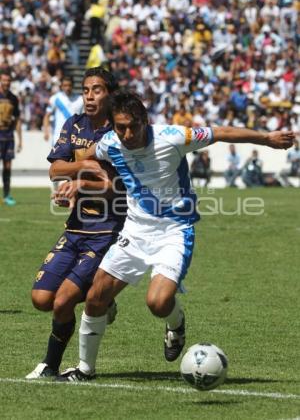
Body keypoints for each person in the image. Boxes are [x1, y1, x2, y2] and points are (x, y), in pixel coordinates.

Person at [57, 89, 295, 382]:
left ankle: (176, 324)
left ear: (145, 120)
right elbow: (87, 157)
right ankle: (84, 369)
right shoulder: (109, 142)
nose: (128, 133)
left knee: (157, 303)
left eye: (133, 125)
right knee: (96, 297)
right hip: (135, 230)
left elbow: (221, 132)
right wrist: (77, 180)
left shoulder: (173, 136)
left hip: (174, 231)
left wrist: (267, 139)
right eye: (121, 127)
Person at [26, 67, 126, 379]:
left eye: (97, 90)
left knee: (63, 302)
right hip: (74, 227)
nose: (89, 96)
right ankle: (103, 298)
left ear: (110, 94)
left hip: (106, 229)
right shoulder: (74, 124)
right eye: (85, 90)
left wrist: (77, 183)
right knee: (41, 299)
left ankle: (49, 366)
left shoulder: (120, 131)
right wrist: (82, 167)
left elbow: (115, 185)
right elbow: (56, 169)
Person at [0, 70, 22, 206]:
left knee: (7, 167)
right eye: (4, 80)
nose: (6, 82)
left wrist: (20, 139)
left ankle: (7, 195)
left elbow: (18, 119)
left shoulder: (14, 98)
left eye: (8, 80)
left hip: (8, 136)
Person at [43, 76, 83, 146]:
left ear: (73, 85)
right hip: (58, 138)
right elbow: (47, 116)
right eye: (65, 85)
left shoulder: (80, 99)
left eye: (69, 85)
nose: (67, 88)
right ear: (61, 86)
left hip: (75, 138)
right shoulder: (55, 98)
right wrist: (46, 131)